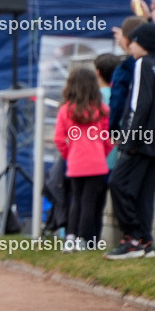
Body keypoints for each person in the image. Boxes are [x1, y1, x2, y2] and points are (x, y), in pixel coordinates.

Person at [105, 22, 155, 260]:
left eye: (135, 41)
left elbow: (139, 103)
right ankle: (144, 241)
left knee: (118, 183)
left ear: (144, 44)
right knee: (144, 194)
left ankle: (132, 239)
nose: (131, 46)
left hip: (139, 140)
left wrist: (129, 138)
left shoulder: (141, 65)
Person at [53, 66, 111, 251]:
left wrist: (68, 155)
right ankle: (83, 240)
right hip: (97, 164)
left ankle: (70, 236)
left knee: (76, 200)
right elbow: (108, 139)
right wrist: (102, 154)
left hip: (75, 163)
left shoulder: (65, 110)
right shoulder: (102, 110)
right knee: (89, 202)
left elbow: (59, 139)